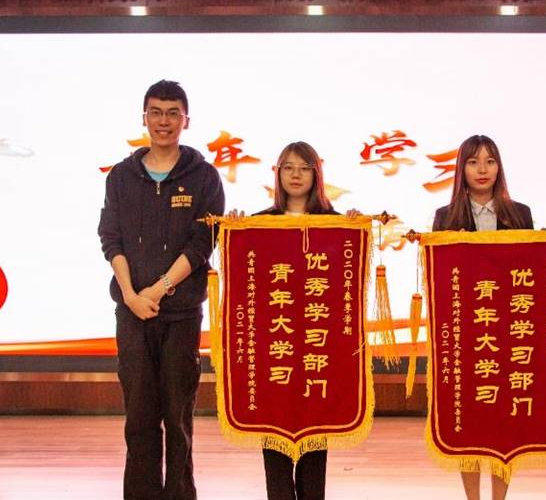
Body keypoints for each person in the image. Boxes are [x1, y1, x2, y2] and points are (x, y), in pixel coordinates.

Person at [98, 79, 225, 500]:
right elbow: (111, 239)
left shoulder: (204, 177)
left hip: (181, 314)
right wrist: (132, 295)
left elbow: (202, 243)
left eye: (173, 113)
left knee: (178, 417)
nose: (164, 121)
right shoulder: (122, 176)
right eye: (156, 112)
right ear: (144, 118)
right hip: (131, 313)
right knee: (139, 418)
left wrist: (158, 289)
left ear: (186, 121)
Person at [229, 141, 356, 500]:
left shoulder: (333, 222)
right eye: (288, 167)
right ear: (278, 174)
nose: (296, 175)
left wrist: (353, 229)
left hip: (317, 344)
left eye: (304, 168)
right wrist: (235, 231)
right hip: (276, 344)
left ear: (317, 175)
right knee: (275, 433)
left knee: (315, 432)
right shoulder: (259, 223)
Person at [432, 134, 532, 500]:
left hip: (508, 332)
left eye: (490, 161)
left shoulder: (520, 214)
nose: (482, 169)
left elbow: (529, 275)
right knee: (468, 420)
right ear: (462, 169)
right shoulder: (445, 217)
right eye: (473, 162)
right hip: (465, 335)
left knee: (506, 421)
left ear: (499, 167)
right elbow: (439, 278)